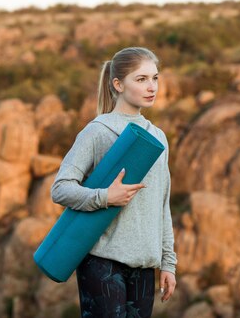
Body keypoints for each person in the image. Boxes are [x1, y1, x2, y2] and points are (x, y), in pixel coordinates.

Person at [51, 46, 177, 318]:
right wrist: (105, 197)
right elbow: (60, 188)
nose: (151, 86)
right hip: (102, 261)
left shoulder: (158, 137)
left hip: (144, 264)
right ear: (118, 84)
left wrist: (168, 263)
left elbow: (161, 205)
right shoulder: (98, 131)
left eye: (155, 78)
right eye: (141, 79)